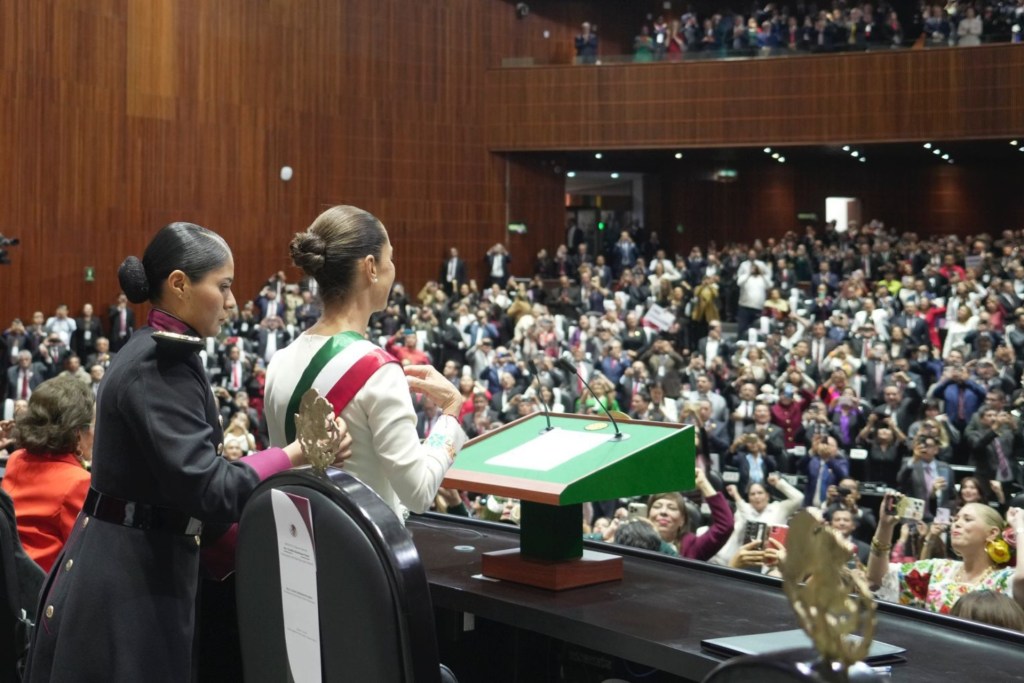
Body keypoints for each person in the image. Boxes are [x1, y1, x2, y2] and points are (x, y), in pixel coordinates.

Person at [24, 222, 352, 683]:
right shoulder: (160, 366)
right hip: (130, 585)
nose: (233, 301)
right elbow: (210, 488)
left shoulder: (155, 352)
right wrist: (297, 452)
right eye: (223, 285)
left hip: (133, 564)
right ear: (179, 284)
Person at [266, 205, 468, 518]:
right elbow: (419, 493)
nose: (393, 268)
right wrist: (451, 415)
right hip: (360, 559)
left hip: (298, 549)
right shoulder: (380, 371)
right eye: (391, 257)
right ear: (371, 267)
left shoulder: (279, 361)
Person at [868, 493, 1024, 614]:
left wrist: (1020, 527)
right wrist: (885, 526)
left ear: (992, 533)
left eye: (967, 519)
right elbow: (878, 578)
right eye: (955, 519)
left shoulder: (1003, 579)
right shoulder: (938, 569)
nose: (957, 523)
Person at [1, 377, 94, 572]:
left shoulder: (16, 459)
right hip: (45, 595)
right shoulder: (78, 482)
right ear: (77, 433)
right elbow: (86, 557)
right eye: (93, 424)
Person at [647, 468, 733, 560]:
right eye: (657, 506)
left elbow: (725, 526)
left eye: (671, 508)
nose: (663, 512)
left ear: (682, 520)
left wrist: (703, 483)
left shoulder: (691, 547)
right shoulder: (635, 537)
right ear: (647, 515)